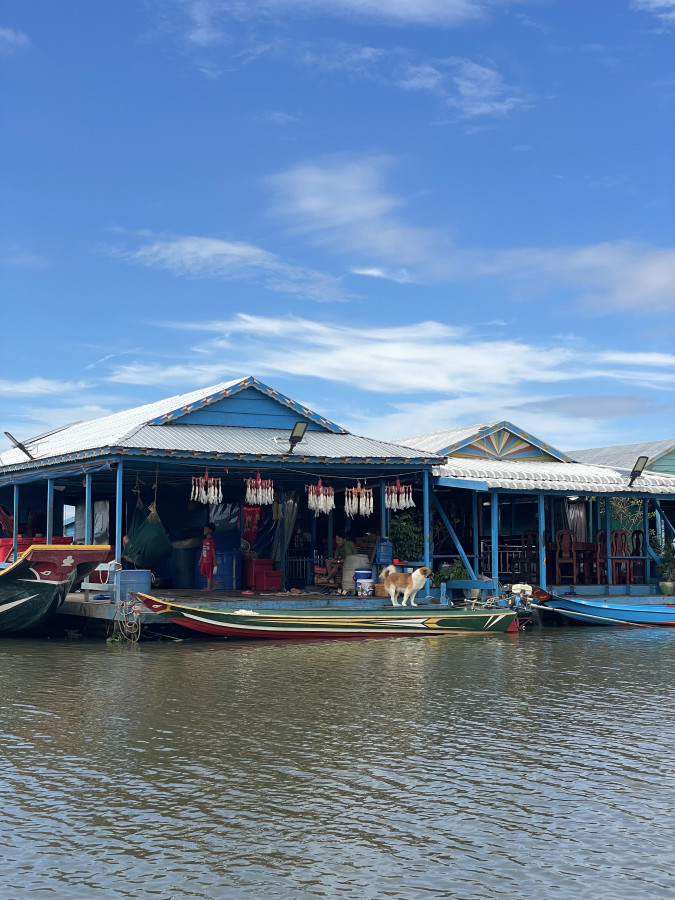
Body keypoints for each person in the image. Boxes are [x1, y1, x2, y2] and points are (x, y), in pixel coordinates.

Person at [200, 522, 217, 590]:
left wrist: (214, 560)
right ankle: (214, 582)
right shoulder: (204, 540)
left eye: (205, 529)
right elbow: (203, 550)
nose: (204, 531)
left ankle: (209, 587)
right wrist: (201, 559)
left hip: (209, 560)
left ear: (210, 530)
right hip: (204, 560)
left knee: (209, 573)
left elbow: (213, 550)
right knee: (202, 572)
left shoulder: (212, 540)